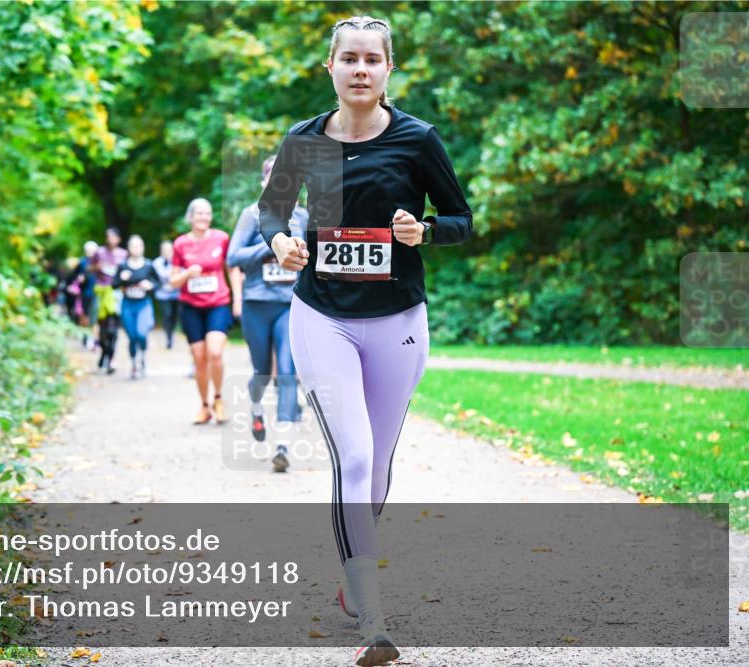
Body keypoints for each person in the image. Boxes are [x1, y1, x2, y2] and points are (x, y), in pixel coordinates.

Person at [258, 16, 473, 667]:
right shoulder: (304, 140)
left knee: (377, 464)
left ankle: (356, 575)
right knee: (352, 456)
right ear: (330, 67)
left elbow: (460, 219)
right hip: (321, 315)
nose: (359, 69)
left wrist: (424, 233)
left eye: (371, 59)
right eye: (347, 58)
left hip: (398, 320)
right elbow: (272, 208)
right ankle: (373, 613)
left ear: (386, 70)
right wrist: (280, 241)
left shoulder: (415, 140)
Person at [227, 155, 308, 473]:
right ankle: (257, 408)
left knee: (288, 372)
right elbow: (234, 256)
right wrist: (272, 244)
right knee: (262, 372)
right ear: (264, 182)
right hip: (257, 304)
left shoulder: (303, 216)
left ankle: (283, 445)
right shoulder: (251, 215)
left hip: (291, 304)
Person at [169, 198, 234, 425]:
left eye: (207, 213)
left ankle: (218, 399)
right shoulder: (180, 244)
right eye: (199, 214)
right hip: (191, 307)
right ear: (190, 217)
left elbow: (232, 269)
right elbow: (173, 281)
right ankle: (204, 406)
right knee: (199, 358)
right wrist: (187, 274)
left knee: (215, 352)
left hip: (218, 303)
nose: (204, 217)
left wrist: (238, 300)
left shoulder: (222, 238)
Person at [113, 235, 160, 379]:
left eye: (138, 246)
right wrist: (122, 278)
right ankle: (134, 364)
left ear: (143, 247)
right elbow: (113, 284)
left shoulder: (148, 265)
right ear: (129, 248)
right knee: (132, 336)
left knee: (141, 333)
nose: (136, 249)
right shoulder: (123, 266)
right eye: (133, 246)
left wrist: (150, 285)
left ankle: (143, 358)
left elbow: (158, 284)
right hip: (128, 304)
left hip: (143, 304)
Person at [92, 228, 128, 374]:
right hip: (101, 293)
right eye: (108, 237)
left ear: (118, 239)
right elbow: (89, 269)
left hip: (116, 294)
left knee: (113, 330)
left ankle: (110, 359)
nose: (111, 239)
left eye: (114, 237)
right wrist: (96, 267)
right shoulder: (99, 252)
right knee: (102, 328)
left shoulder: (123, 254)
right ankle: (104, 353)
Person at [152, 240, 181, 349]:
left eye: (169, 250)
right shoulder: (156, 263)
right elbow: (153, 279)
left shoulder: (178, 262)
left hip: (176, 294)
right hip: (162, 295)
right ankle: (168, 337)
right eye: (165, 250)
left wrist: (174, 285)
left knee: (174, 316)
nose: (167, 252)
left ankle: (171, 333)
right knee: (167, 315)